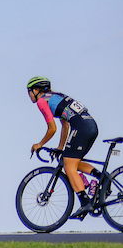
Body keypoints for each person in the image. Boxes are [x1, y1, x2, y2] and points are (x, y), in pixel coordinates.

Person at [27, 76, 100, 217]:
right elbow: (65, 124)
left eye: (29, 91)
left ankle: (86, 203)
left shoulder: (42, 101)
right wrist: (60, 148)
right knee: (72, 160)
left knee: (69, 166)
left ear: (36, 90)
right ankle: (102, 178)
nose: (29, 95)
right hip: (90, 125)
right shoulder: (56, 96)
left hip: (81, 127)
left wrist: (39, 144)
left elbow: (52, 129)